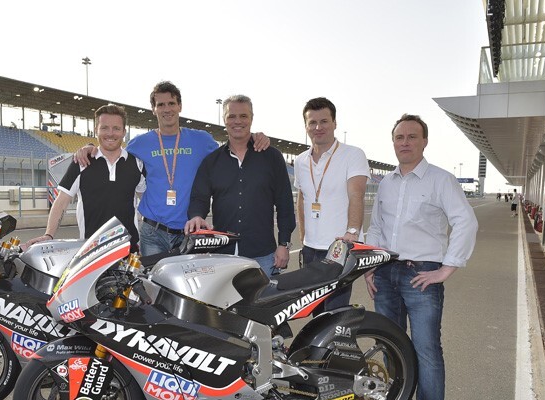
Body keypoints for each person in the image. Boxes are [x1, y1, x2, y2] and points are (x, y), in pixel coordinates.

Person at [364, 114, 478, 400]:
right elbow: (377, 226)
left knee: (426, 351)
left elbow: (465, 221)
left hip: (421, 275)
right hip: (385, 273)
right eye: (399, 137)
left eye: (411, 136)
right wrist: (371, 266)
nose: (404, 142)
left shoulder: (440, 180)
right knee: (391, 348)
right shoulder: (386, 183)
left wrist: (447, 269)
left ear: (424, 141)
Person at [74, 81, 270, 256]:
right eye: (160, 105)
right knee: (152, 291)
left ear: (180, 106)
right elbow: (112, 148)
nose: (166, 109)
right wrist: (90, 147)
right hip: (152, 232)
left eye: (171, 103)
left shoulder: (201, 140)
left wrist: (253, 137)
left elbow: (230, 151)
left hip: (189, 232)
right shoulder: (139, 144)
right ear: (153, 109)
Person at [185, 95, 295, 277]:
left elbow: (285, 204)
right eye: (231, 116)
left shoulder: (272, 157)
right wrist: (196, 215)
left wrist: (284, 244)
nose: (237, 121)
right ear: (224, 120)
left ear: (251, 118)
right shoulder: (211, 162)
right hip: (222, 256)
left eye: (243, 116)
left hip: (263, 256)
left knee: (264, 305)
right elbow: (199, 197)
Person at [26, 104, 145, 249]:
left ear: (124, 132)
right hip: (91, 251)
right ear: (96, 130)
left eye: (116, 128)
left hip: (129, 249)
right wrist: (49, 234)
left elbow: (146, 200)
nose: (110, 133)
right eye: (104, 128)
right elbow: (62, 201)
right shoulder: (82, 162)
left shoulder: (137, 164)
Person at [294, 97, 370, 310]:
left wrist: (352, 232)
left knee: (334, 311)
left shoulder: (353, 154)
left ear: (335, 123)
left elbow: (357, 194)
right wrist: (303, 237)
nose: (318, 127)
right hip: (311, 248)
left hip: (339, 247)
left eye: (324, 121)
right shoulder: (300, 161)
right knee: (314, 310)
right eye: (312, 122)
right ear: (306, 126)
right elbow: (302, 199)